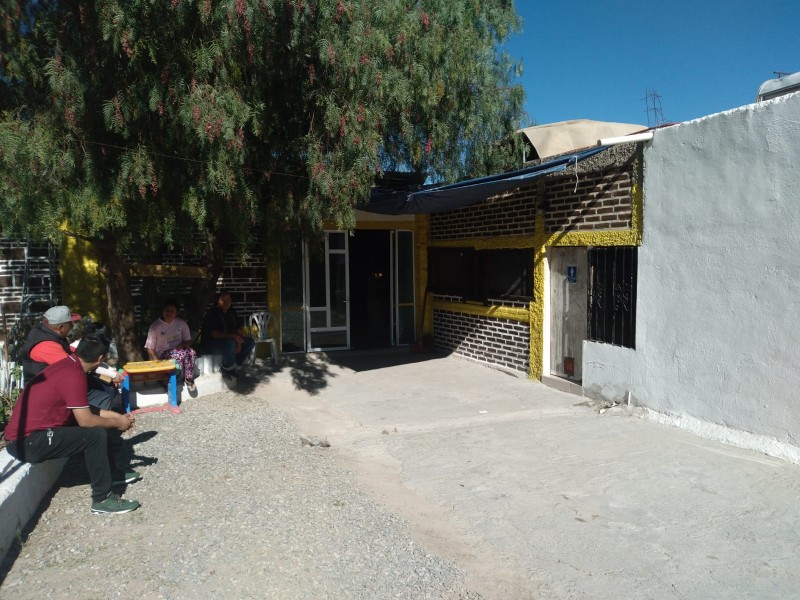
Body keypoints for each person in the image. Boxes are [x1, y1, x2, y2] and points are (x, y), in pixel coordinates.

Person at [4, 333, 141, 514]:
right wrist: (117, 424)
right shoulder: (74, 375)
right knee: (95, 434)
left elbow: (85, 408)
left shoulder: (69, 365)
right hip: (26, 442)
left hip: (31, 436)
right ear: (100, 358)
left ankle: (112, 475)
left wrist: (117, 417)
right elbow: (86, 420)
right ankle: (102, 498)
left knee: (102, 425)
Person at [20, 305, 124, 412]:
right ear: (61, 328)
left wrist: (111, 372)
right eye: (70, 323)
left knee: (104, 386)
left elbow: (78, 358)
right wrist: (111, 374)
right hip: (44, 395)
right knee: (101, 396)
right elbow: (75, 366)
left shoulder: (51, 335)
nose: (73, 325)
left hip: (59, 385)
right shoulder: (46, 346)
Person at [201, 291, 255, 384]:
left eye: (228, 300)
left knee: (250, 342)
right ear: (218, 301)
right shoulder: (212, 313)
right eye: (223, 300)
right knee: (230, 343)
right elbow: (214, 334)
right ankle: (227, 368)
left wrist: (239, 341)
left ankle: (235, 366)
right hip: (211, 344)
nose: (226, 303)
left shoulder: (232, 312)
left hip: (230, 341)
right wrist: (234, 337)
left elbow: (238, 328)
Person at [144, 299, 197, 393]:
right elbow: (149, 347)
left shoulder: (181, 323)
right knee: (179, 355)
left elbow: (188, 340)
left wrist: (182, 345)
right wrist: (156, 361)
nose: (169, 313)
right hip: (162, 354)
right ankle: (167, 381)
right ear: (163, 311)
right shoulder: (155, 326)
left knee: (191, 352)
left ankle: (188, 378)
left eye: (172, 311)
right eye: (167, 310)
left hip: (179, 351)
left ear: (176, 313)